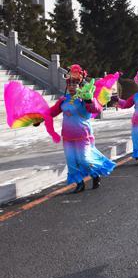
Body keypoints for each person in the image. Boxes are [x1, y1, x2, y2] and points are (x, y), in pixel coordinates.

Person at [49, 64, 116, 193]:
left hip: (83, 136)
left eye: (74, 84)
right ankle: (79, 183)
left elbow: (96, 109)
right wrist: (39, 119)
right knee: (72, 162)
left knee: (84, 160)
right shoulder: (63, 100)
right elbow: (52, 112)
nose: (71, 87)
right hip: (68, 138)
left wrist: (89, 100)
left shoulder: (84, 99)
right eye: (69, 84)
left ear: (80, 86)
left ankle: (95, 174)